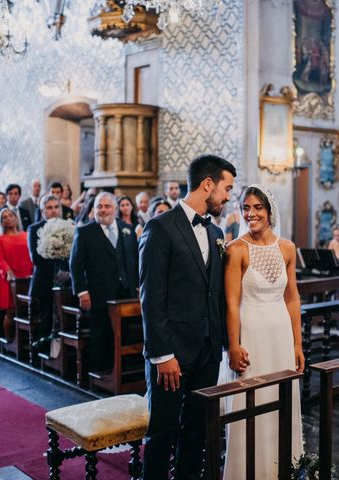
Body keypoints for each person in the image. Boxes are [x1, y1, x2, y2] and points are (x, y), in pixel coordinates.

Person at [139, 154, 236, 480]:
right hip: (172, 354)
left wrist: (223, 343)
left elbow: (215, 293)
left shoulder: (215, 232)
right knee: (162, 433)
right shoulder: (160, 228)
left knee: (196, 433)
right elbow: (151, 299)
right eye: (227, 188)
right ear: (207, 184)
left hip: (207, 351)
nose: (227, 196)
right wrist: (162, 355)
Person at [221, 184, 304, 479]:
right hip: (251, 334)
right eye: (246, 207)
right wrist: (233, 345)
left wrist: (297, 344)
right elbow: (231, 302)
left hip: (281, 335)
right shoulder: (236, 249)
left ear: (269, 212)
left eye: (257, 207)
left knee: (281, 400)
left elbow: (292, 297)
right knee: (249, 405)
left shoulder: (287, 247)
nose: (250, 213)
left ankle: (284, 471)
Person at [69, 192, 138, 372]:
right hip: (98, 294)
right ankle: (99, 373)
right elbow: (76, 263)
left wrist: (137, 285)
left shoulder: (127, 229)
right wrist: (82, 291)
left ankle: (122, 372)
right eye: (99, 206)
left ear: (115, 209)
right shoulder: (84, 232)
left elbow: (133, 260)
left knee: (126, 335)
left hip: (125, 293)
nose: (103, 210)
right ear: (94, 209)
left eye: (107, 206)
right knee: (101, 335)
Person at [27, 194, 62, 352]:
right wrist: (55, 274)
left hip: (64, 282)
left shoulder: (68, 226)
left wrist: (65, 272)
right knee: (45, 319)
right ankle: (43, 352)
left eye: (56, 207)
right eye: (49, 208)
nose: (54, 211)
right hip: (44, 281)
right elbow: (35, 257)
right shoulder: (34, 229)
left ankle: (61, 352)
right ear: (42, 211)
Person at [0, 208, 33, 340]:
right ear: (1, 222)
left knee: (28, 310)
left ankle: (24, 339)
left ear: (16, 218)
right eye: (4, 217)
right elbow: (0, 260)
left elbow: (32, 255)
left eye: (11, 215)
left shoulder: (26, 235)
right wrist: (9, 273)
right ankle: (9, 339)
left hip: (27, 276)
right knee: (11, 311)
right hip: (10, 278)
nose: (8, 218)